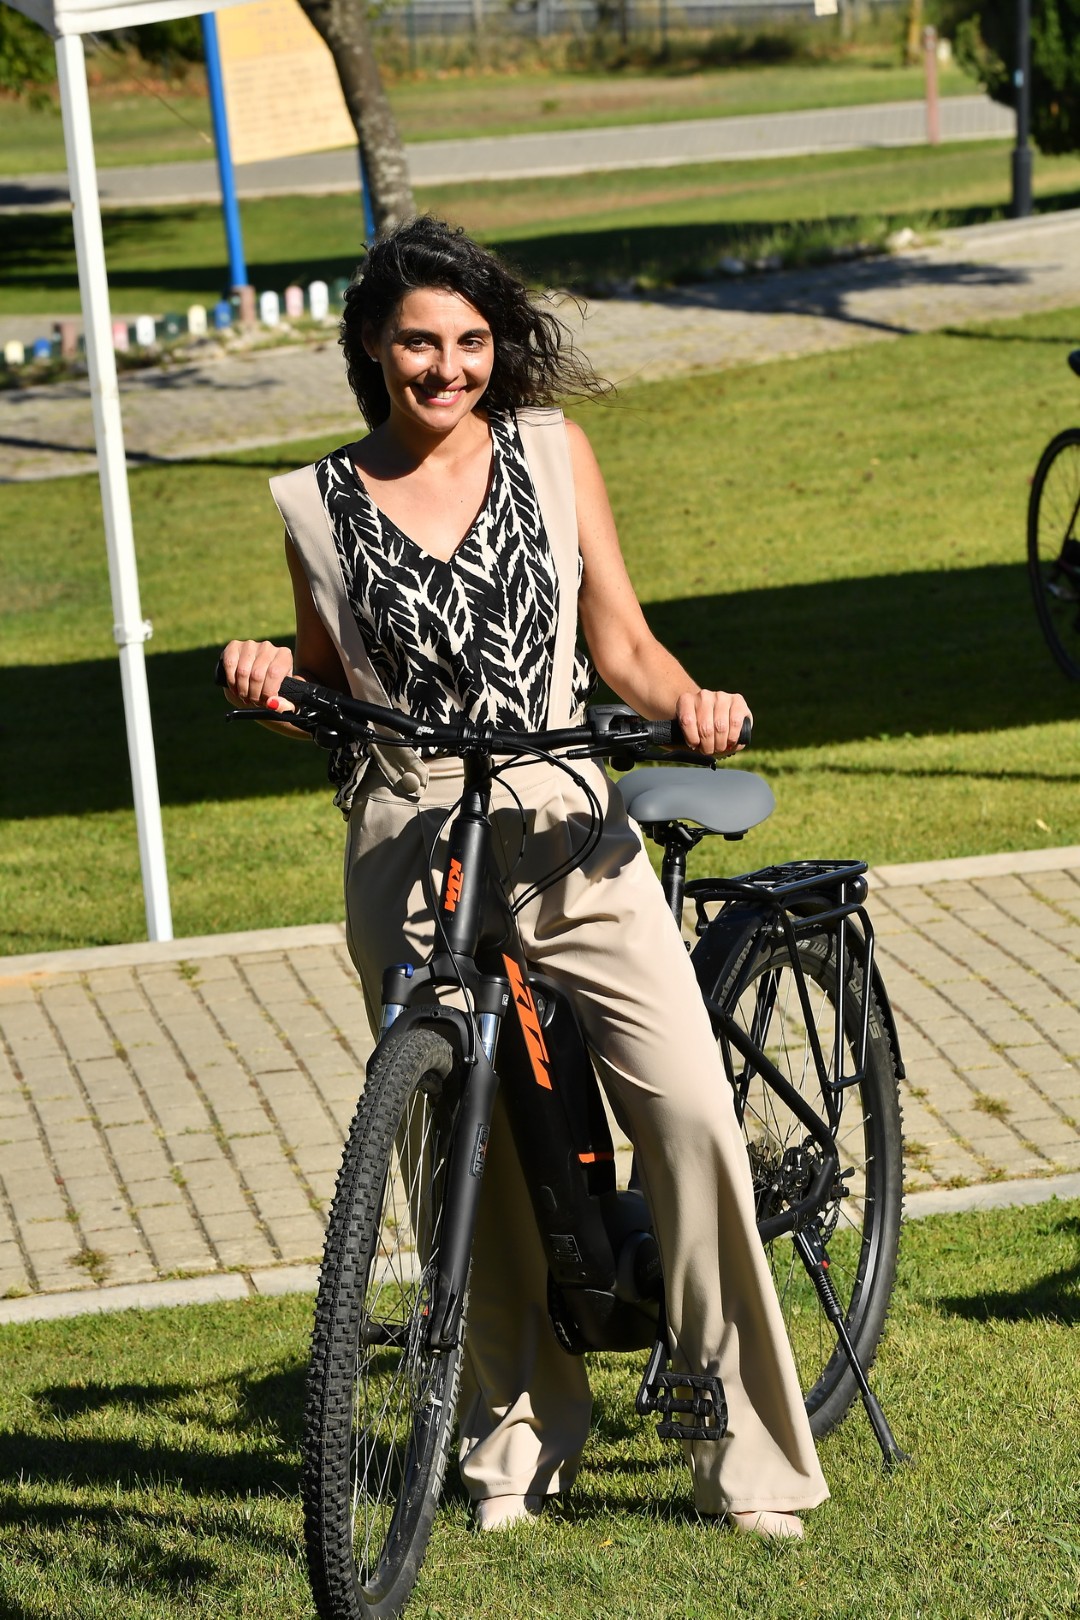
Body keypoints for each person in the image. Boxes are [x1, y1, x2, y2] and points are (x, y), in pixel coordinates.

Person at [221, 215, 828, 1539]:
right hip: (409, 840)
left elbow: (624, 644)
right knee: (468, 1151)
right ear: (371, 348)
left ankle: (747, 1456)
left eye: (471, 341)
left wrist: (692, 702)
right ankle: (516, 1442)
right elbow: (328, 692)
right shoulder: (314, 505)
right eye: (419, 343)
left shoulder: (550, 454)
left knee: (687, 1111)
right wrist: (270, 683)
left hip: (563, 818)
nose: (448, 367)